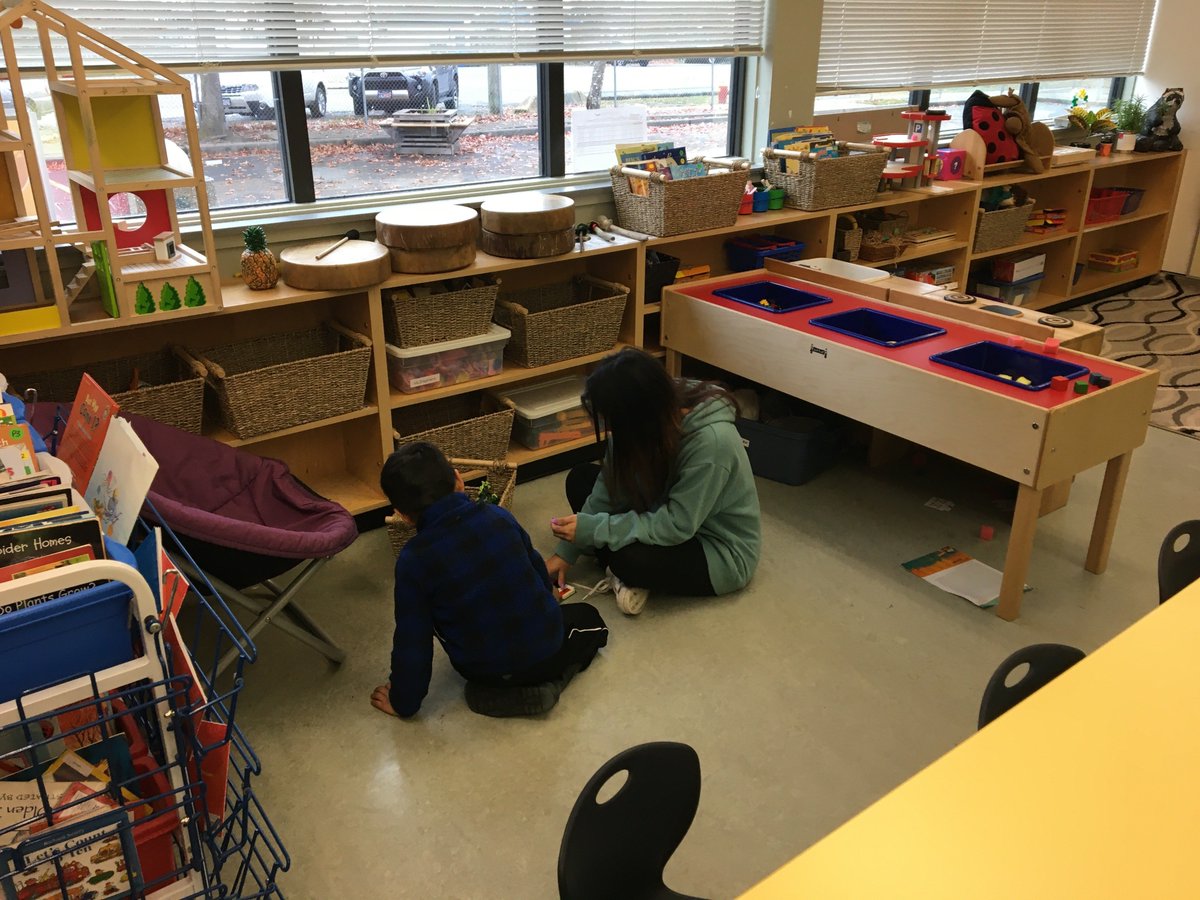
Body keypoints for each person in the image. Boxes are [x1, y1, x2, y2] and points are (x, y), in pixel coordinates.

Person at [371, 442, 608, 719]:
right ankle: (555, 681)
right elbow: (538, 576)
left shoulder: (412, 560)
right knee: (593, 622)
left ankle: (501, 691)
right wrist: (548, 602)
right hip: (544, 651)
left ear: (403, 515)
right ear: (458, 479)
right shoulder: (499, 516)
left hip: (482, 670)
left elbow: (413, 640)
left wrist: (403, 701)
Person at [547, 347, 761, 615]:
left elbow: (677, 525)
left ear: (636, 420)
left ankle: (623, 571)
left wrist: (595, 529)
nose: (611, 430)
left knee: (629, 558)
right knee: (580, 479)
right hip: (660, 505)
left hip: (714, 547)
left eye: (615, 424)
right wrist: (565, 554)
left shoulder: (713, 443)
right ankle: (619, 562)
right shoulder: (649, 410)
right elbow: (609, 486)